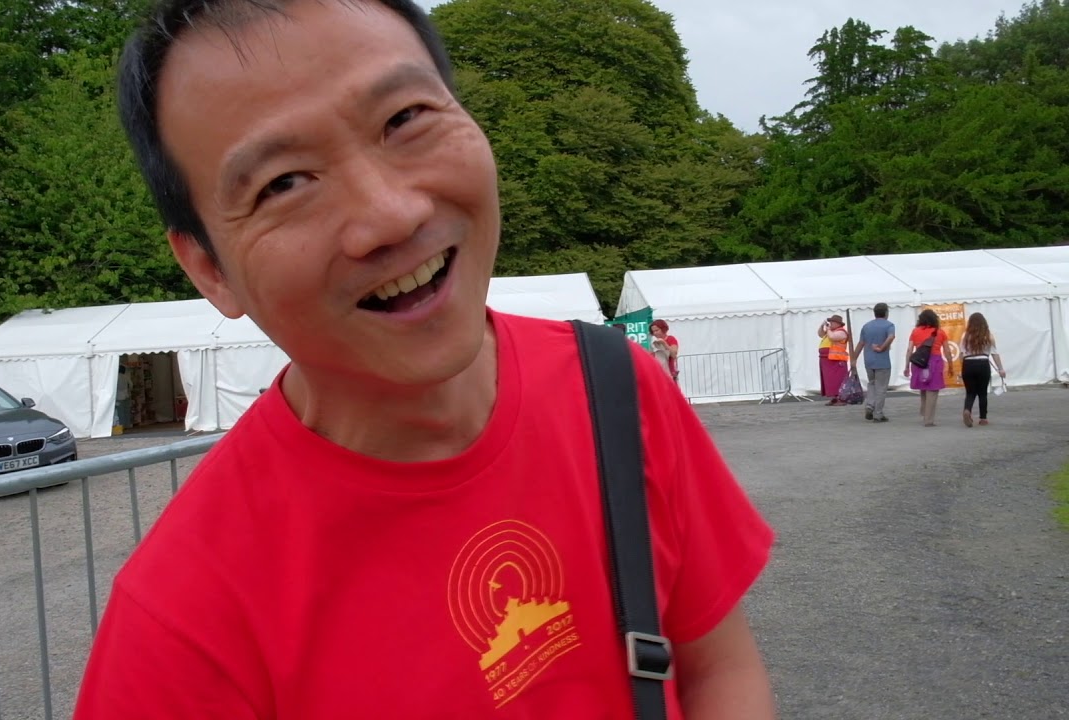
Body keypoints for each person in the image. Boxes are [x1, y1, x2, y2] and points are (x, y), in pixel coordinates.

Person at [73, 1, 777, 718]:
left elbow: (717, 670)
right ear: (208, 269)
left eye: (404, 118)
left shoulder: (615, 389)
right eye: (282, 183)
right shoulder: (179, 629)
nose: (391, 214)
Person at [904, 308, 956, 427]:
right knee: (932, 390)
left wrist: (906, 366)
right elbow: (947, 351)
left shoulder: (915, 331)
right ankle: (928, 420)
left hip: (919, 362)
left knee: (923, 388)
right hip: (934, 362)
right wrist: (951, 365)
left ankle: (924, 412)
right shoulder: (940, 332)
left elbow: (909, 350)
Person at [849, 303, 896, 422]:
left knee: (872, 383)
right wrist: (882, 347)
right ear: (886, 313)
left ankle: (870, 405)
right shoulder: (889, 325)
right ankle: (878, 413)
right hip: (882, 361)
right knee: (881, 387)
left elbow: (861, 343)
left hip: (869, 360)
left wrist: (854, 359)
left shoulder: (866, 326)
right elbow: (891, 337)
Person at [958, 312, 1006, 427]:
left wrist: (962, 368)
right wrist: (1000, 369)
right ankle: (983, 418)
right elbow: (994, 354)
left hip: (968, 364)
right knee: (982, 393)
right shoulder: (988, 336)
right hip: (983, 363)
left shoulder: (965, 336)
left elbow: (961, 354)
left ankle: (967, 410)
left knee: (970, 392)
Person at [818, 315, 849, 405]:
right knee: (830, 380)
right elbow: (820, 334)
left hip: (836, 360)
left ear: (838, 324)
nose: (830, 324)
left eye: (832, 322)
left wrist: (828, 329)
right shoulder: (830, 331)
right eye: (830, 322)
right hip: (827, 359)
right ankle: (834, 397)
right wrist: (822, 325)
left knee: (838, 379)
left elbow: (832, 337)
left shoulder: (841, 332)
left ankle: (841, 398)